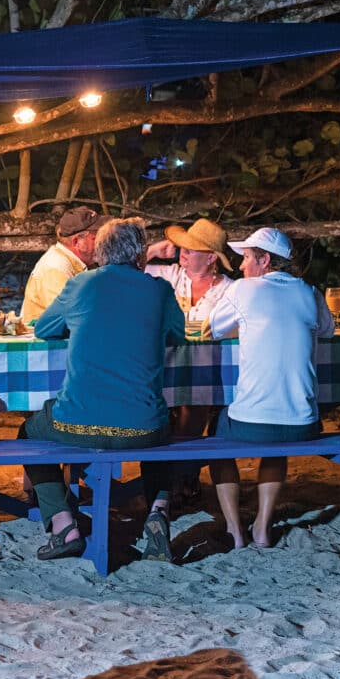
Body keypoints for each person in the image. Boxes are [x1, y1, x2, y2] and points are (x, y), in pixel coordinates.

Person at [19, 217, 186, 561]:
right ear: (141, 255)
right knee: (161, 425)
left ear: (99, 251)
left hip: (76, 422)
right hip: (144, 428)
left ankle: (64, 524)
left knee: (28, 433)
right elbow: (177, 335)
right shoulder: (159, 290)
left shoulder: (81, 284)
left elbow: (44, 329)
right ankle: (157, 510)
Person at [205, 227, 334, 548]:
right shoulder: (310, 291)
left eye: (247, 258)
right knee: (280, 421)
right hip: (304, 424)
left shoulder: (243, 290)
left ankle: (235, 530)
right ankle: (262, 527)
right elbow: (329, 331)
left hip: (256, 423)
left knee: (215, 436)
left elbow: (213, 330)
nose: (241, 266)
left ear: (265, 260)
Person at [141, 219, 235, 518]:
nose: (182, 251)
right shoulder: (170, 274)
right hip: (164, 362)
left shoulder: (229, 290)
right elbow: (123, 268)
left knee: (194, 404)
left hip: (206, 366)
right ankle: (177, 478)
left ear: (210, 258)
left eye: (191, 248)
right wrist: (155, 250)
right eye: (182, 245)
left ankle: (181, 478)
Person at [20, 206, 110, 322]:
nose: (102, 242)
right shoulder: (55, 267)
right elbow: (69, 317)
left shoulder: (67, 262)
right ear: (77, 242)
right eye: (96, 237)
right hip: (44, 339)